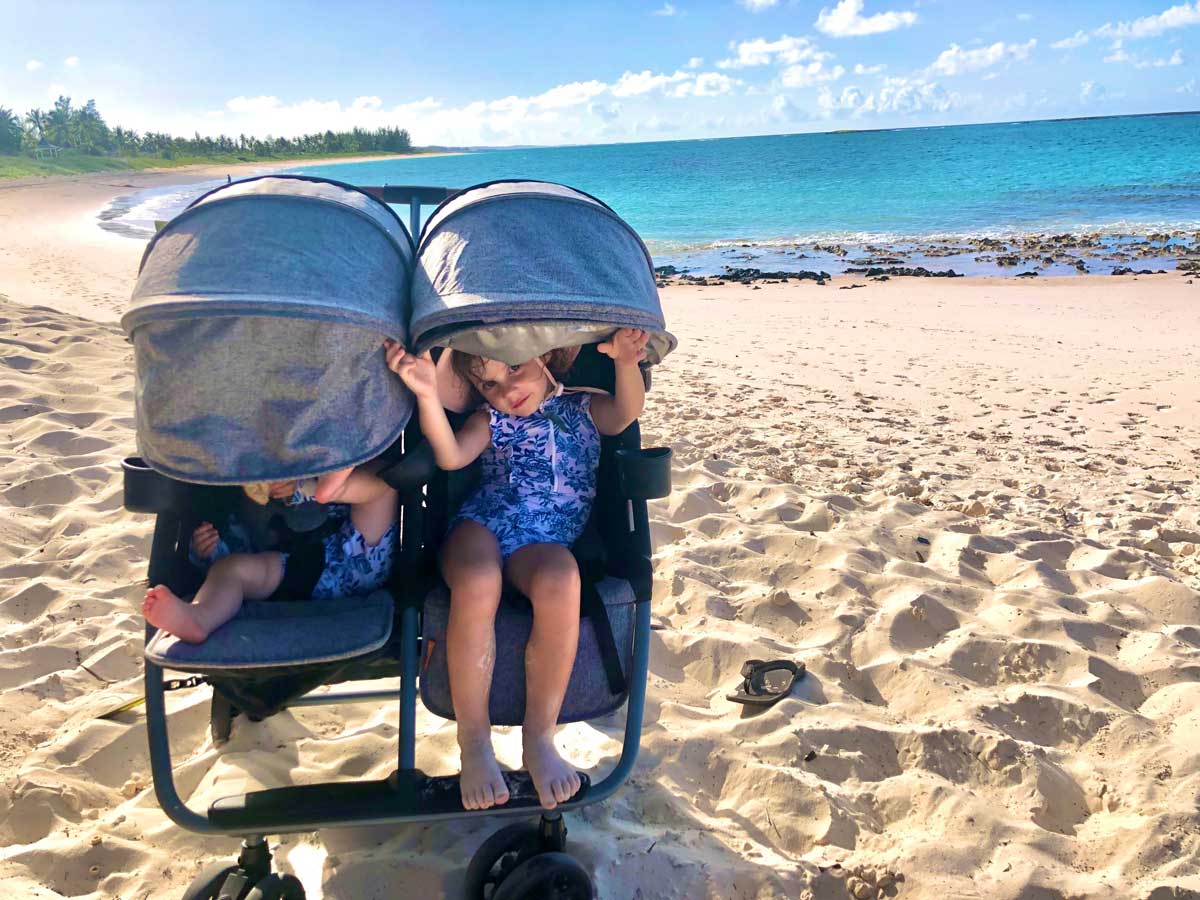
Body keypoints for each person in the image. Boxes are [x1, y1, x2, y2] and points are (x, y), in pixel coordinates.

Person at [385, 329, 649, 811]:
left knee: (562, 581)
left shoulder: (586, 406)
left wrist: (628, 363)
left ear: (547, 355)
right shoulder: (491, 419)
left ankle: (539, 739)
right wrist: (427, 395)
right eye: (487, 384)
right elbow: (451, 455)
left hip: (544, 540)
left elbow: (625, 414)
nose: (504, 390)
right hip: (483, 525)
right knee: (479, 580)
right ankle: (475, 743)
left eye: (512, 368)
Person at [142, 466, 397, 644]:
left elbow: (380, 487)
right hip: (280, 567)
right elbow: (234, 543)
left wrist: (309, 487)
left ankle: (203, 613)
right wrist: (206, 549)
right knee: (231, 569)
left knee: (381, 487)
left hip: (344, 565)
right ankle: (199, 616)